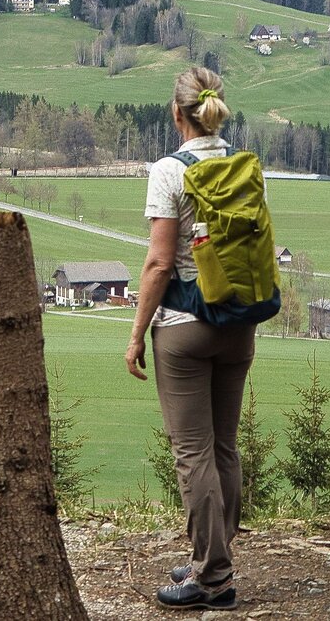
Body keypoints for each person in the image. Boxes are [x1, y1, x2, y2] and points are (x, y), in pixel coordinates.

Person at [125, 66, 254, 613]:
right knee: (224, 446)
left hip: (184, 326)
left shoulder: (169, 171)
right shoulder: (242, 165)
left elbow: (159, 264)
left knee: (193, 452)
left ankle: (213, 578)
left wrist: (136, 335)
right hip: (239, 323)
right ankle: (214, 553)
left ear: (177, 113)